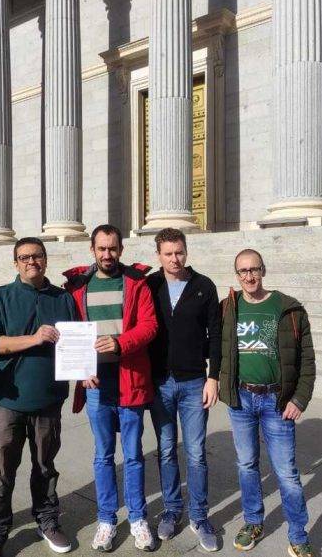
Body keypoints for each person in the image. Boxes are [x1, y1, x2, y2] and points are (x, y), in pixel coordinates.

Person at [0, 237, 78, 557]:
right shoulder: (1, 296)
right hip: (9, 400)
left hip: (49, 399)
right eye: (24, 257)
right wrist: (33, 339)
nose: (31, 262)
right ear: (15, 262)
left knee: (45, 466)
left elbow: (75, 342)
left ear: (46, 260)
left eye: (37, 256)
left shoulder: (63, 298)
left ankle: (47, 521)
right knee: (1, 471)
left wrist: (85, 368)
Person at [63, 224, 158, 552]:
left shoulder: (136, 282)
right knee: (103, 455)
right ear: (92, 250)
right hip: (95, 384)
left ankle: (137, 518)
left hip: (129, 377)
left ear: (121, 249)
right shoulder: (77, 286)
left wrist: (119, 343)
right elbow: (69, 332)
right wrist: (80, 368)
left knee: (132, 455)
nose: (107, 255)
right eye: (101, 249)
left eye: (113, 249)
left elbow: (149, 326)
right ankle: (106, 519)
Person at [220, 249, 316, 557]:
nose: (249, 276)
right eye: (243, 271)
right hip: (241, 400)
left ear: (264, 270)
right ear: (237, 275)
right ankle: (253, 522)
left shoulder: (289, 308)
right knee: (247, 465)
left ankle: (299, 535)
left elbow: (307, 360)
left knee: (286, 473)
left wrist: (300, 398)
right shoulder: (228, 309)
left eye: (254, 270)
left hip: (277, 401)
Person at [146, 228, 221, 552]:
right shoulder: (150, 285)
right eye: (168, 253)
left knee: (196, 453)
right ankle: (172, 510)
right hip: (160, 382)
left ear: (186, 251)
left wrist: (213, 377)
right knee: (165, 450)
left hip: (193, 383)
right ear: (159, 255)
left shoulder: (203, 286)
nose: (175, 259)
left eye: (179, 252)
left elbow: (217, 335)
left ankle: (200, 516)